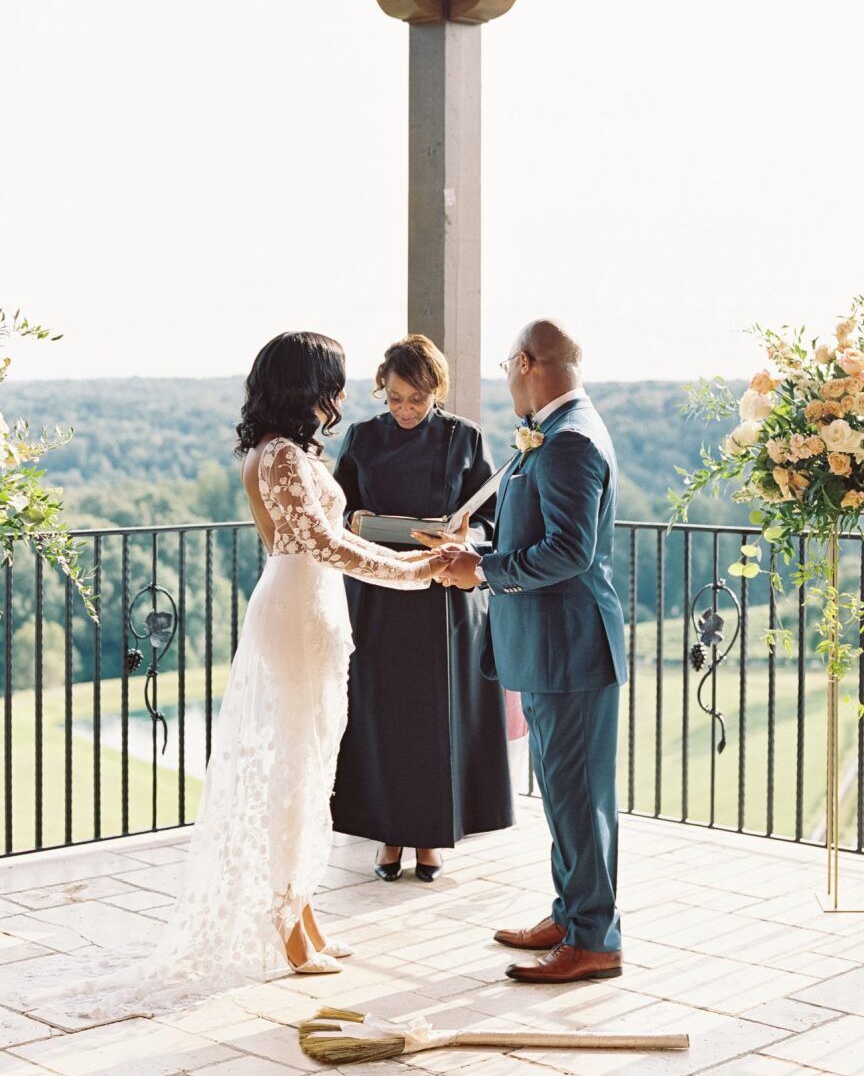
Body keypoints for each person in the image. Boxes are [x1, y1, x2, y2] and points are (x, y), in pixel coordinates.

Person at [12, 332, 444, 1024]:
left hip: (314, 607)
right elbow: (322, 543)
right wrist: (412, 573)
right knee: (290, 773)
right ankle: (288, 930)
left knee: (311, 769)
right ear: (307, 387)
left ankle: (303, 916)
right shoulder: (278, 456)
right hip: (297, 609)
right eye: (332, 382)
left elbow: (327, 542)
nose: (341, 395)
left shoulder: (293, 454)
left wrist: (406, 568)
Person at [439, 320, 627, 985]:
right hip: (556, 647)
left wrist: (484, 571)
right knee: (564, 792)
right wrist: (479, 553)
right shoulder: (559, 427)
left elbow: (570, 553)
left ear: (524, 362)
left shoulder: (570, 439)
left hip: (570, 648)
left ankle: (594, 941)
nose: (504, 376)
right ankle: (573, 916)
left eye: (505, 364)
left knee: (578, 796)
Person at [331, 334, 513, 881]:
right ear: (382, 390)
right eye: (395, 398)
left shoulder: (465, 438)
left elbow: (489, 519)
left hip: (441, 598)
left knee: (438, 719)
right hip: (379, 597)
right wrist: (364, 528)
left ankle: (432, 838)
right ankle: (389, 836)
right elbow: (339, 513)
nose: (406, 410)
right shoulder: (362, 437)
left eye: (417, 399)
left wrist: (460, 534)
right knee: (384, 716)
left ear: (437, 391)